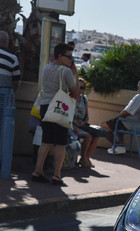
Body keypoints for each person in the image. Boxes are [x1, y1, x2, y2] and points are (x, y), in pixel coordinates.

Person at [31, 43, 80, 186]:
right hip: (60, 108)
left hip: (45, 106)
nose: (71, 59)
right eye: (68, 56)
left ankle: (37, 171)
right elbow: (75, 93)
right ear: (59, 56)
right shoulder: (66, 71)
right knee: (60, 143)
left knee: (46, 141)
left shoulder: (46, 68)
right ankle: (57, 175)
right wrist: (75, 74)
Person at [100, 76, 140, 154]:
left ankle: (117, 146)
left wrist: (118, 117)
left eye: (139, 85)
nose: (138, 86)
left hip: (132, 124)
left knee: (103, 126)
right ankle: (120, 146)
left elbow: (128, 111)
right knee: (119, 124)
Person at [73, 78, 97, 168]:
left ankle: (85, 158)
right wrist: (76, 124)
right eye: (78, 87)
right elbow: (68, 115)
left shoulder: (84, 99)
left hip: (81, 124)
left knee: (97, 134)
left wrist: (84, 122)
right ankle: (83, 158)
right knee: (88, 136)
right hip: (72, 124)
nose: (80, 89)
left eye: (82, 87)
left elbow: (87, 115)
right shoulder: (71, 97)